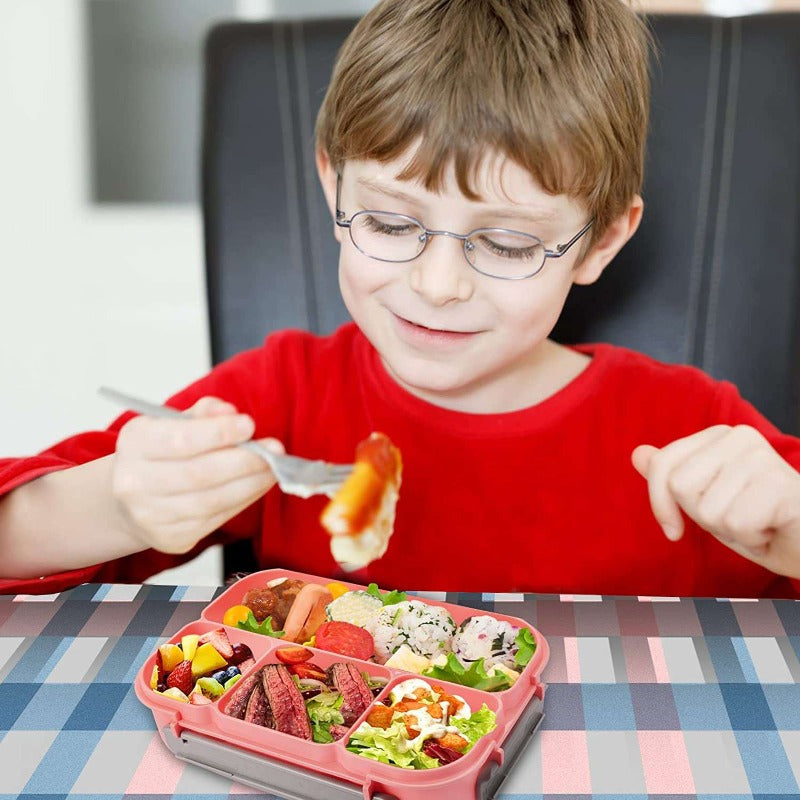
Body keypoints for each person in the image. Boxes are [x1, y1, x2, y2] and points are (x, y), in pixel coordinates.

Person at [1, 0, 799, 598]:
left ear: (599, 244)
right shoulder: (277, 402)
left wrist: (789, 526)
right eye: (387, 221)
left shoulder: (690, 430)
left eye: (509, 243)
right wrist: (117, 505)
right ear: (331, 184)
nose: (437, 285)